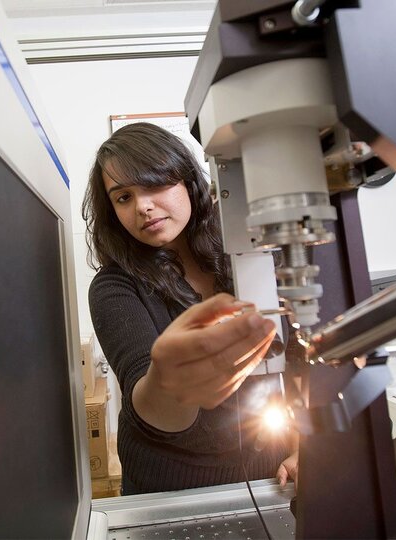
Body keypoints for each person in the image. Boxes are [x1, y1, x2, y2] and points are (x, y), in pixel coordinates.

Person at [83, 122, 298, 495]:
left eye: (153, 185)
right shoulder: (114, 288)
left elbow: (298, 365)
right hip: (170, 486)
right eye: (123, 198)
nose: (143, 206)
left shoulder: (251, 258)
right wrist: (168, 383)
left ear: (186, 180)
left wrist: (305, 445)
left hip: (271, 471)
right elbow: (149, 407)